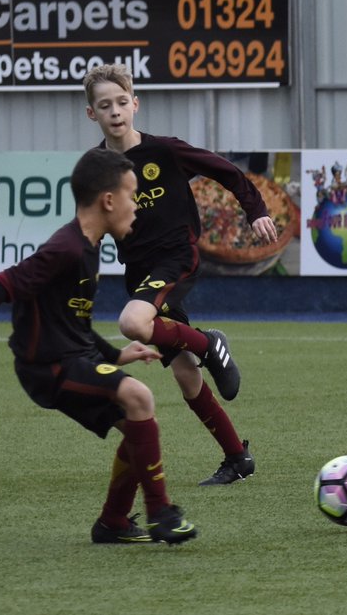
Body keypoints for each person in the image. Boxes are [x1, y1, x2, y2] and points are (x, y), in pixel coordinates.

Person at [0, 148, 197, 545]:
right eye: (132, 196)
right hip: (48, 367)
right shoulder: (67, 248)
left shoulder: (89, 249)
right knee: (139, 397)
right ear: (108, 201)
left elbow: (73, 323)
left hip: (72, 359)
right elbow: (2, 284)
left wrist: (116, 355)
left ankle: (112, 523)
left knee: (140, 426)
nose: (136, 206)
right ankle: (160, 514)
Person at [84, 64, 278, 484]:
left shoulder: (165, 151)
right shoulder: (95, 169)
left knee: (133, 323)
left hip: (176, 256)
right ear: (91, 113)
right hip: (139, 271)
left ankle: (210, 343)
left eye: (121, 102)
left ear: (135, 104)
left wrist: (256, 210)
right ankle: (237, 458)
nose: (115, 111)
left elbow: (225, 170)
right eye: (105, 105)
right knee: (186, 373)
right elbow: (91, 227)